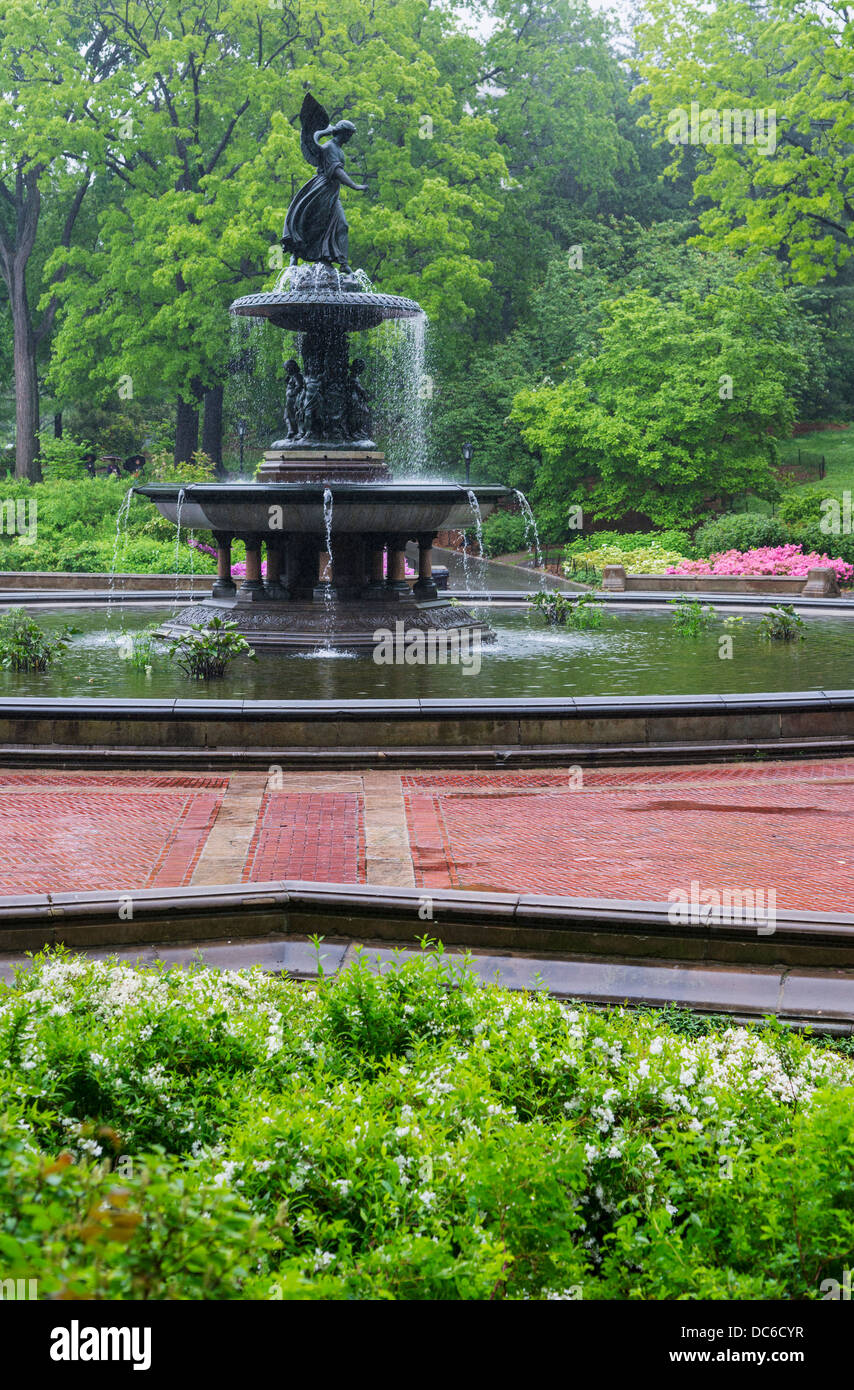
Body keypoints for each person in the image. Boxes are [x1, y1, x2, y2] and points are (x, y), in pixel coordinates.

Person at [281, 94, 368, 273]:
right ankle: (296, 255)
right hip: (322, 190)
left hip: (331, 192)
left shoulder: (336, 148)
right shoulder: (329, 148)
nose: (350, 138)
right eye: (349, 134)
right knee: (313, 224)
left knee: (341, 225)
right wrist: (355, 186)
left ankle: (340, 263)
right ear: (343, 133)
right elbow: (337, 172)